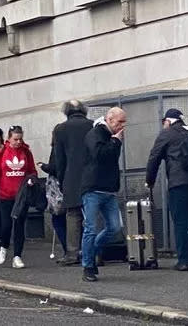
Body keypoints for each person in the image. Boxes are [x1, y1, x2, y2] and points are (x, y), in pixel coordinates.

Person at [146, 108, 188, 271]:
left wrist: (150, 180)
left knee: (181, 221)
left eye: (164, 122)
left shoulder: (167, 134)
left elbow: (154, 157)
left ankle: (183, 261)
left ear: (168, 121)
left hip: (178, 183)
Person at [80, 107, 126, 282]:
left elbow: (111, 159)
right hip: (93, 188)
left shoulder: (111, 137)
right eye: (119, 122)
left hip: (108, 189)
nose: (122, 126)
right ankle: (88, 266)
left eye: (124, 122)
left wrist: (115, 142)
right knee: (91, 229)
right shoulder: (95, 134)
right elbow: (100, 155)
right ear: (109, 119)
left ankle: (92, 250)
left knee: (115, 227)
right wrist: (115, 142)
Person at [0, 125, 37, 269]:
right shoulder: (1, 152)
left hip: (21, 195)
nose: (18, 142)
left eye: (20, 139)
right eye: (15, 139)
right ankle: (4, 246)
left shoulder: (26, 152)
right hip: (5, 195)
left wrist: (31, 179)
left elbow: (32, 170)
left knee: (19, 225)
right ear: (9, 138)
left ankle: (17, 257)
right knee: (6, 225)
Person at [52, 99, 93, 266]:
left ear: (66, 112)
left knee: (73, 215)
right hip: (92, 176)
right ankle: (95, 253)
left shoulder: (60, 129)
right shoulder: (92, 125)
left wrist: (62, 180)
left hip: (71, 177)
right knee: (92, 216)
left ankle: (72, 253)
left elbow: (59, 159)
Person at [39, 151, 67, 261]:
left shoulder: (57, 147)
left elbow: (54, 168)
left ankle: (68, 250)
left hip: (58, 189)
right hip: (71, 186)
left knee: (58, 219)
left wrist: (43, 166)